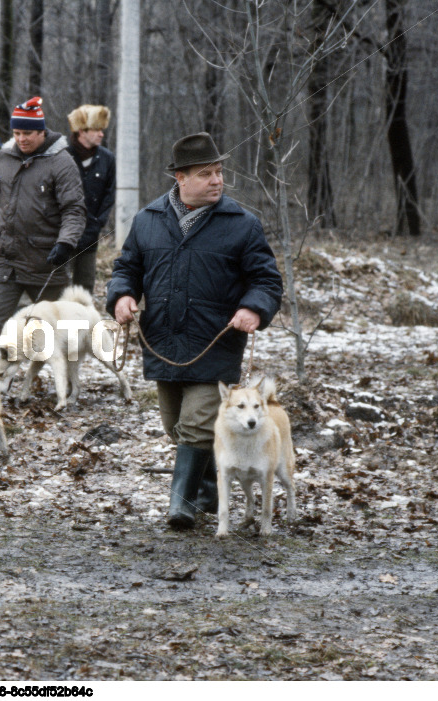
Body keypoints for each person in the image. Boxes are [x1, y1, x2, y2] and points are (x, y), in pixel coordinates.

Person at [106, 132, 283, 530]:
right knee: (177, 427)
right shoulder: (148, 220)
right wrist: (121, 297)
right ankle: (207, 492)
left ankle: (181, 507)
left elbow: (267, 281)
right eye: (206, 174)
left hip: (216, 345)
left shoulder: (242, 224)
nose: (217, 180)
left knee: (198, 425)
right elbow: (126, 269)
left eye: (220, 172)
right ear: (181, 178)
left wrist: (254, 308)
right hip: (164, 343)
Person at [0, 96, 86, 338]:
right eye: (17, 133)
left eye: (27, 133)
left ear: (41, 132)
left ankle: (67, 375)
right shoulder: (4, 157)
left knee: (62, 330)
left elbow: (74, 210)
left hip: (46, 262)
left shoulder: (62, 163)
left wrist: (66, 242)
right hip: (5, 259)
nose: (21, 139)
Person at [66, 104, 115, 294]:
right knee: (58, 286)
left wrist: (95, 226)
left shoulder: (107, 158)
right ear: (81, 131)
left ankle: (80, 323)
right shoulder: (64, 156)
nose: (101, 134)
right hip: (63, 234)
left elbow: (108, 196)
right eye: (96, 130)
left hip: (91, 235)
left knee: (84, 287)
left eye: (102, 130)